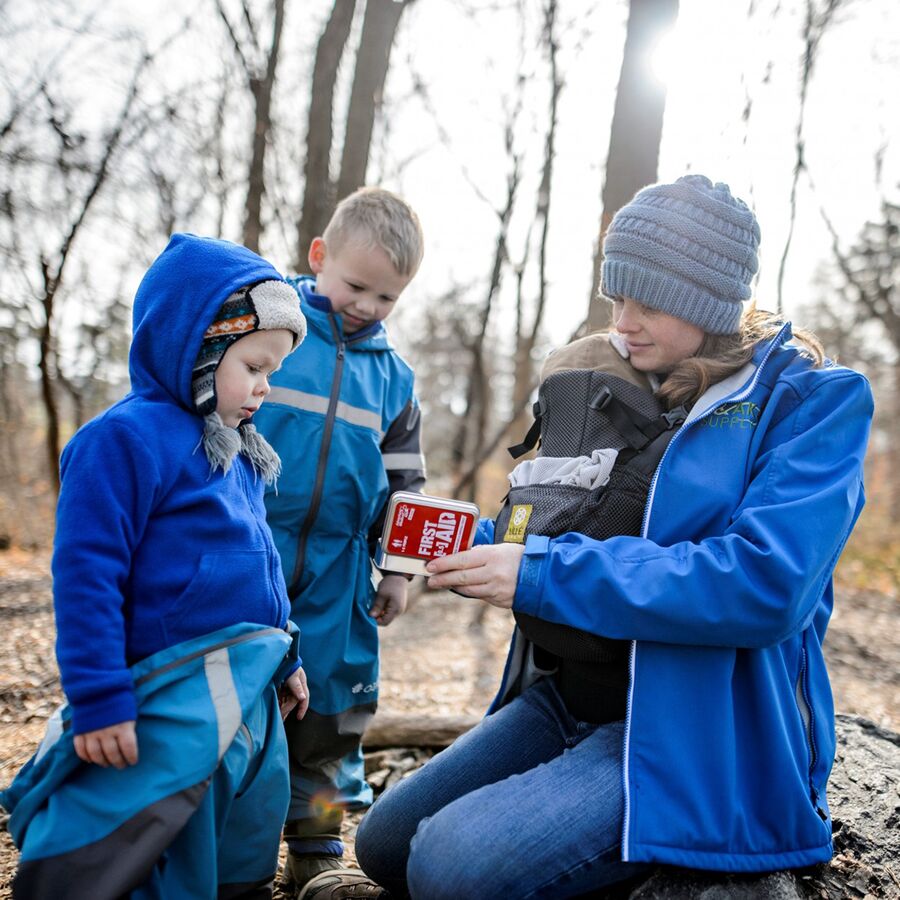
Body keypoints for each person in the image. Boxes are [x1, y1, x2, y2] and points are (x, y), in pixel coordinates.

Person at [351, 174, 874, 899]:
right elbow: (557, 524)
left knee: (448, 867)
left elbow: (763, 584)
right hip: (574, 696)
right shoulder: (617, 380)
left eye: (648, 303)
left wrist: (541, 573)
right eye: (616, 298)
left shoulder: (812, 402)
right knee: (384, 843)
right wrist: (473, 541)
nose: (623, 322)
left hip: (695, 726)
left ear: (709, 303)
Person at [0, 233, 311, 899]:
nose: (264, 386)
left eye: (273, 372)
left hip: (247, 685)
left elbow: (259, 564)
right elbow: (86, 576)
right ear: (196, 346)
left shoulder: (237, 448)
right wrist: (99, 697)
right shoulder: (123, 440)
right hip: (165, 691)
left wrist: (288, 655)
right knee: (161, 835)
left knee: (245, 829)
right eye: (254, 365)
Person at [251, 187, 427, 896]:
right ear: (319, 256)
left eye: (388, 297)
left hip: (341, 568)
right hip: (250, 551)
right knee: (244, 693)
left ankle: (317, 842)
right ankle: (231, 838)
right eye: (357, 286)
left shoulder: (395, 381)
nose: (368, 306)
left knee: (333, 712)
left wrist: (400, 570)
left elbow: (406, 485)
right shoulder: (273, 337)